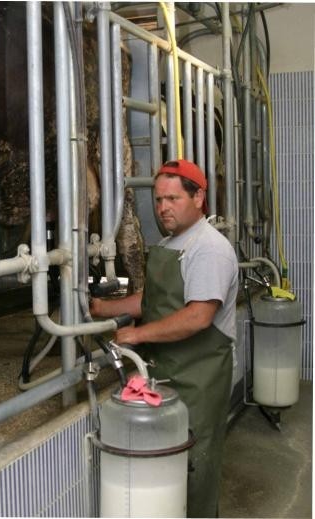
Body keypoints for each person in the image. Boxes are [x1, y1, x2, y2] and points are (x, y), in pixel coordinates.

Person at [91, 159, 238, 518]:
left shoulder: (208, 248)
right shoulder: (172, 242)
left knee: (194, 466)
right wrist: (102, 308)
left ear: (199, 197)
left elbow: (198, 316)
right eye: (158, 200)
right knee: (167, 470)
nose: (163, 208)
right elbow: (153, 300)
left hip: (199, 378)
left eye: (173, 199)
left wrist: (137, 334)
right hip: (169, 373)